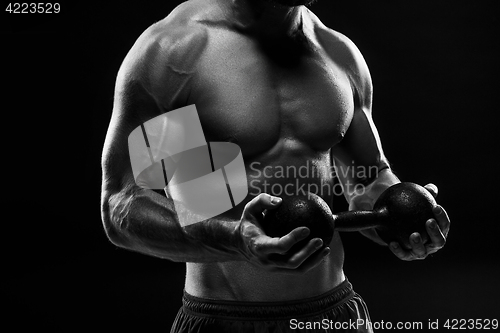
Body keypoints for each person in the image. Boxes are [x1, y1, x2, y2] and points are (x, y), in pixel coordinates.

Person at [100, 0, 451, 331]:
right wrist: (235, 239)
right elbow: (124, 203)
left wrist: (396, 217)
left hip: (335, 314)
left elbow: (367, 178)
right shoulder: (179, 54)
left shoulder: (337, 53)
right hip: (226, 320)